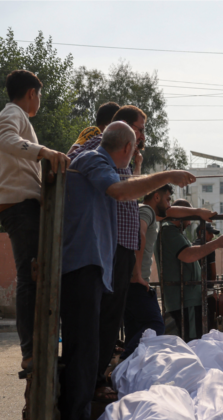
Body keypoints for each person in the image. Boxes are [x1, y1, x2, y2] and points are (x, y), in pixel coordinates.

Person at [61, 122, 196, 420]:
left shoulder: (107, 166)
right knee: (82, 348)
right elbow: (121, 191)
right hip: (80, 265)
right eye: (134, 150)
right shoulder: (94, 160)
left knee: (91, 346)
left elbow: (126, 185)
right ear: (126, 148)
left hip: (92, 266)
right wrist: (166, 175)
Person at [0, 69, 71, 372]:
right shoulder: (11, 113)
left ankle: (38, 346)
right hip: (19, 206)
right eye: (39, 94)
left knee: (37, 277)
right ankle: (29, 352)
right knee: (29, 276)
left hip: (24, 205)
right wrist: (45, 152)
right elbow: (5, 140)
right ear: (30, 93)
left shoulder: (17, 115)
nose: (39, 100)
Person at [68, 105, 147, 401]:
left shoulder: (124, 158)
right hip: (104, 246)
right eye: (139, 129)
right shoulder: (95, 147)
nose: (142, 136)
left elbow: (130, 191)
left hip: (123, 244)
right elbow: (73, 161)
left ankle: (97, 377)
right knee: (94, 322)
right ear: (122, 130)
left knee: (112, 319)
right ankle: (87, 386)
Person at [122, 185, 216, 358]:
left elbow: (173, 211)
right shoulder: (147, 212)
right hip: (136, 281)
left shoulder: (150, 213)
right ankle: (124, 359)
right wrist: (137, 275)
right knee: (155, 325)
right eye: (167, 199)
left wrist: (198, 211)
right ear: (156, 197)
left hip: (130, 281)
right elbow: (140, 234)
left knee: (135, 327)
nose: (169, 205)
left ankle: (126, 365)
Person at [158, 199, 223, 341]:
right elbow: (187, 255)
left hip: (187, 299)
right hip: (184, 300)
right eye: (189, 218)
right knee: (191, 342)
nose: (190, 223)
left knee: (193, 340)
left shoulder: (173, 231)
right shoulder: (168, 230)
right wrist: (216, 243)